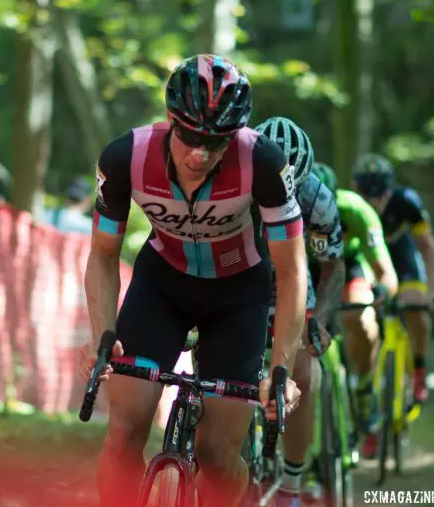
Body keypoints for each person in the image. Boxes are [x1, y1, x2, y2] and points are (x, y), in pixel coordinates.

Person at [79, 54, 306, 507]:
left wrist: (281, 367)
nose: (200, 152)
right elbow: (103, 254)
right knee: (125, 431)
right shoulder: (126, 157)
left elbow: (291, 268)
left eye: (216, 140)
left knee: (218, 456)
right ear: (169, 120)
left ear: (237, 134)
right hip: (161, 285)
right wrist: (103, 333)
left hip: (238, 293)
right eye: (189, 135)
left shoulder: (263, 161)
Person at [254, 120, 345, 505]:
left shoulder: (317, 200)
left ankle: (291, 481)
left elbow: (332, 266)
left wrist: (320, 320)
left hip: (293, 278)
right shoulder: (231, 182)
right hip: (242, 272)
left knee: (303, 370)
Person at [311, 162, 399, 459]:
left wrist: (383, 292)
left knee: (360, 316)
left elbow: (384, 270)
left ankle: (363, 386)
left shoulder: (357, 210)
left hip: (350, 266)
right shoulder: (289, 211)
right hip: (310, 269)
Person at [351, 154, 434, 407]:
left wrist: (432, 291)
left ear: (391, 189)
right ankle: (367, 388)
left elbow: (427, 245)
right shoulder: (350, 207)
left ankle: (418, 369)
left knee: (415, 304)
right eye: (368, 195)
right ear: (356, 189)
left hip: (401, 256)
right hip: (369, 258)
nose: (375, 202)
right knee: (361, 316)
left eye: (381, 195)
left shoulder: (407, 202)